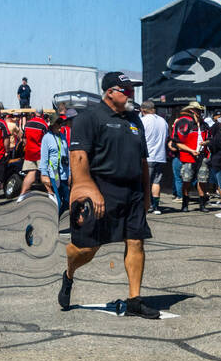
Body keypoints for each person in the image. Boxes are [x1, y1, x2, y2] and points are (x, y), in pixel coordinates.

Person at [58, 72, 158, 319]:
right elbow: (78, 158)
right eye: (126, 90)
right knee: (86, 249)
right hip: (101, 190)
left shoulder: (136, 120)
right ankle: (69, 273)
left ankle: (135, 299)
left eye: (132, 90)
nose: (131, 94)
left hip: (132, 192)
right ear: (110, 92)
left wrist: (146, 196)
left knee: (136, 242)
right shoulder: (88, 119)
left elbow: (143, 161)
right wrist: (89, 189)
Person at [169, 102, 204, 211]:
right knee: (186, 180)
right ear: (193, 111)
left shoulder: (203, 124)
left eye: (201, 111)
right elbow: (176, 141)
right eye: (198, 110)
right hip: (187, 156)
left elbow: (209, 137)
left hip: (202, 155)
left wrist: (207, 143)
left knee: (202, 180)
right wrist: (191, 150)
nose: (200, 113)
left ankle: (202, 204)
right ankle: (185, 203)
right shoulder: (183, 122)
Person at [140, 99, 169, 215]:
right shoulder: (163, 121)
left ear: (143, 110)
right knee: (156, 182)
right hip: (160, 156)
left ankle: (147, 205)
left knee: (145, 182)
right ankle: (156, 206)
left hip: (148, 156)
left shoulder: (143, 121)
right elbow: (166, 137)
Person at [39, 113, 71, 214]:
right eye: (58, 123)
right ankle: (54, 222)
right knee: (58, 201)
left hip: (64, 173)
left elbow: (67, 155)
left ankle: (57, 219)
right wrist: (44, 174)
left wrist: (69, 173)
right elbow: (44, 157)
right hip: (54, 173)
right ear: (52, 125)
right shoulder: (47, 138)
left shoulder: (63, 137)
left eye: (61, 123)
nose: (60, 126)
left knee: (66, 201)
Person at [18, 109, 49, 198]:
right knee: (41, 173)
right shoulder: (44, 125)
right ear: (42, 114)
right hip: (39, 153)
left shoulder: (28, 123)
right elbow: (46, 140)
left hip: (29, 152)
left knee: (31, 173)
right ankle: (51, 193)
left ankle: (23, 193)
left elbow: (24, 139)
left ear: (34, 113)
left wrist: (27, 145)